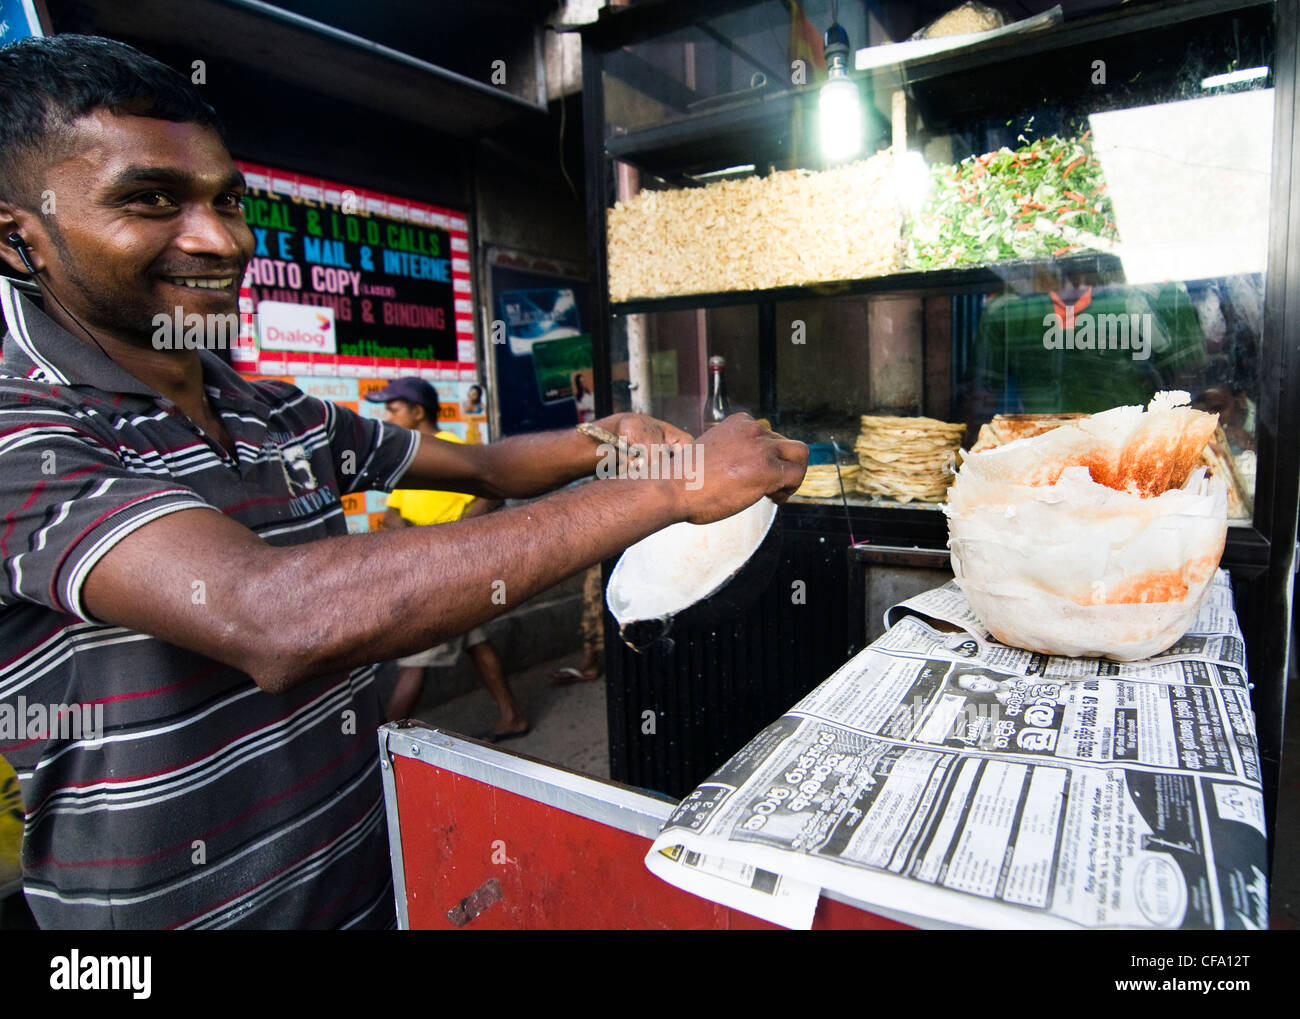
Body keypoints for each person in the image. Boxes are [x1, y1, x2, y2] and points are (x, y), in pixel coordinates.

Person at [0, 35, 807, 930]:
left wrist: (608, 445)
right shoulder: (22, 423)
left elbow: (486, 466)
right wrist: (675, 487)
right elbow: (269, 614)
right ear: (16, 235)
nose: (216, 238)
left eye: (227, 200)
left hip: (364, 882)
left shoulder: (271, 408)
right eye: (150, 200)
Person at [368, 378, 527, 739]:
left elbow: (493, 495)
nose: (388, 417)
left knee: (414, 662)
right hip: (429, 568)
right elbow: (391, 514)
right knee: (475, 641)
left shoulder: (455, 450)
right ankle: (512, 715)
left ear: (417, 412)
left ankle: (378, 745)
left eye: (393, 409)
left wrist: (451, 538)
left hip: (446, 574)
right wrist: (410, 537)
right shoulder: (406, 459)